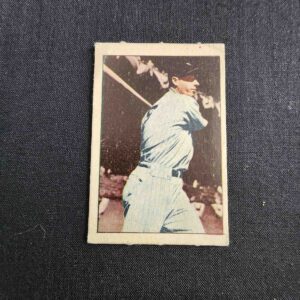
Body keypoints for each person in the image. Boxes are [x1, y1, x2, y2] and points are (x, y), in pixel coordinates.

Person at [122, 61, 208, 233]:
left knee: (196, 236)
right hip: (153, 186)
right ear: (175, 80)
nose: (196, 83)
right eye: (190, 79)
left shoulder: (156, 108)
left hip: (169, 186)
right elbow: (201, 124)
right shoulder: (186, 103)